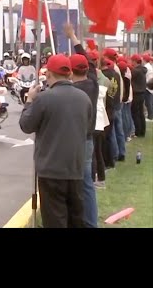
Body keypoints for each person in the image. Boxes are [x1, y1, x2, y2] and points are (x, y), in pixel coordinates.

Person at [19, 54, 92, 228]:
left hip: (51, 170)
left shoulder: (44, 99)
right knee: (76, 217)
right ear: (69, 74)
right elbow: (87, 128)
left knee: (55, 219)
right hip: (75, 168)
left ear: (49, 74)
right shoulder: (84, 99)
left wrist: (29, 100)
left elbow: (26, 125)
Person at [69, 54, 99, 228]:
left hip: (76, 140)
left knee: (74, 183)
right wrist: (73, 38)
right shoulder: (93, 84)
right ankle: (90, 222)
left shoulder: (76, 91)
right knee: (87, 184)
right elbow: (92, 63)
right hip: (88, 139)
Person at [130, 54, 148, 138]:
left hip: (136, 93)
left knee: (135, 113)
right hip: (142, 93)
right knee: (141, 113)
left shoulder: (135, 71)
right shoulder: (142, 70)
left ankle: (137, 131)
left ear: (134, 61)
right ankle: (142, 131)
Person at [144, 53, 153, 120]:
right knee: (149, 102)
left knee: (148, 102)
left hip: (148, 86)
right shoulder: (150, 66)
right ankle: (150, 115)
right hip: (150, 85)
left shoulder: (146, 67)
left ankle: (150, 116)